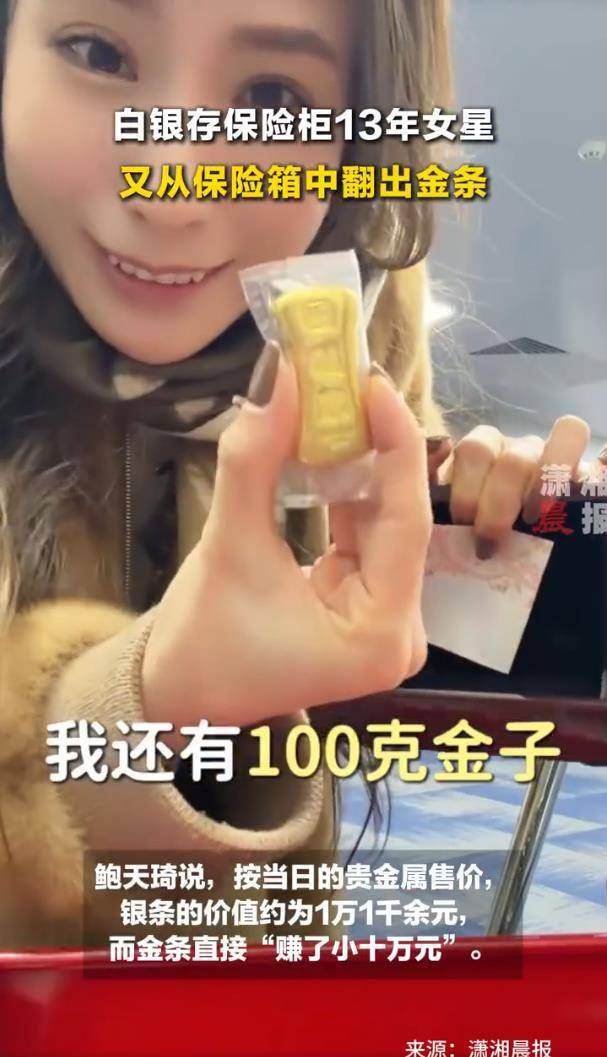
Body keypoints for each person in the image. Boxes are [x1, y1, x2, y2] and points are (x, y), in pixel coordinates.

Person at [0, 0, 596, 949]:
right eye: (97, 53)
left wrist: (507, 556)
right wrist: (150, 702)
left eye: (272, 99)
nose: (171, 191)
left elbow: (384, 637)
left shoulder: (340, 341)